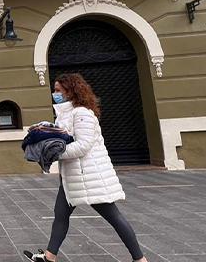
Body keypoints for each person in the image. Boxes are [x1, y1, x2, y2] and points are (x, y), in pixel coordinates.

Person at [25, 73, 146, 262]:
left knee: (113, 216)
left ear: (70, 91)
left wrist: (55, 153)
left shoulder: (82, 113)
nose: (54, 93)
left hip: (90, 176)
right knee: (60, 215)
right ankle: (49, 257)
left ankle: (140, 259)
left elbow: (83, 145)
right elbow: (65, 139)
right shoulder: (66, 113)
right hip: (73, 176)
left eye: (58, 90)